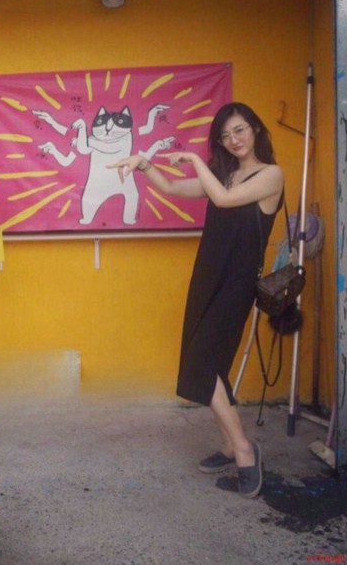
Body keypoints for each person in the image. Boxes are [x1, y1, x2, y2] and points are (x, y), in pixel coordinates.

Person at [109, 102, 283, 498]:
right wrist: (144, 164)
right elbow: (173, 188)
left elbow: (223, 199)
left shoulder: (271, 175)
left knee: (201, 363)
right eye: (225, 135)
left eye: (239, 130)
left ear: (255, 129)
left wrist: (194, 160)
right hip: (207, 277)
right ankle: (230, 445)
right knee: (210, 364)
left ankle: (245, 450)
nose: (233, 140)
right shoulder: (224, 175)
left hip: (237, 282)